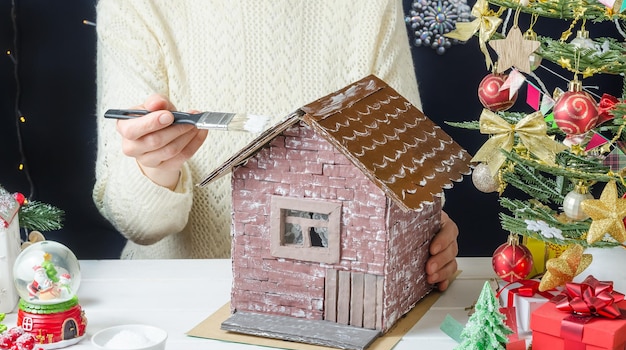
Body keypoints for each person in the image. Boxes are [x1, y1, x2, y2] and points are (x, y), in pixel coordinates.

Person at [93, 0, 459, 291]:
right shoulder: (137, 5)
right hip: (176, 303)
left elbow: (410, 177)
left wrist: (424, 237)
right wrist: (157, 166)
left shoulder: (369, 7)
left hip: (332, 301)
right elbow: (139, 224)